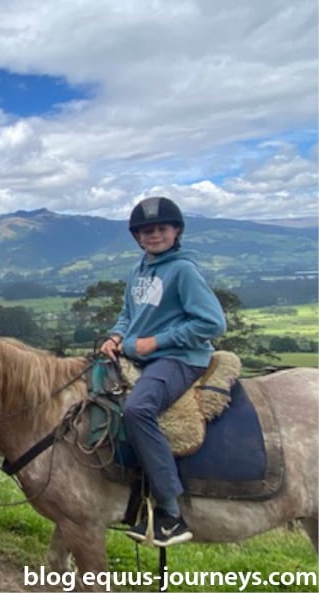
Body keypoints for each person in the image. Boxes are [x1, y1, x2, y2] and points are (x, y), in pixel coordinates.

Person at [99, 196, 226, 547]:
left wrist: (155, 342)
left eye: (160, 228)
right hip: (140, 355)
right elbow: (129, 315)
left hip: (180, 358)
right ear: (137, 236)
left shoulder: (183, 270)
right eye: (146, 230)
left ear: (176, 231)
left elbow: (212, 322)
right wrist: (115, 335)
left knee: (138, 409)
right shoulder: (138, 270)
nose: (153, 235)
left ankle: (170, 513)